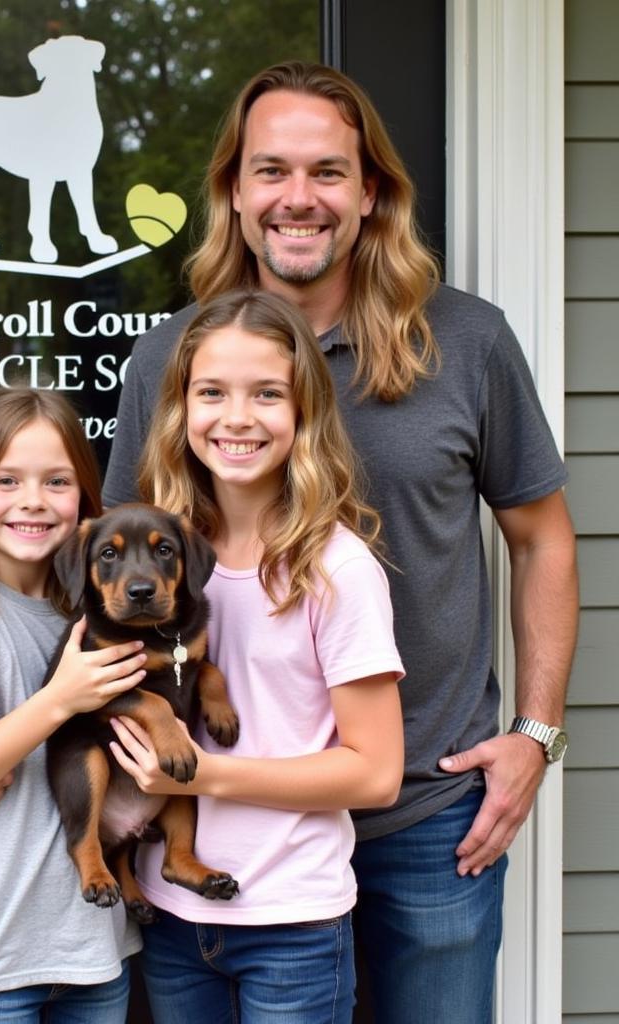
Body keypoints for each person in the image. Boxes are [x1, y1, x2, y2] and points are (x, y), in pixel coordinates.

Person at [103, 61, 579, 1023]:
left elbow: (543, 540)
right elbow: (112, 587)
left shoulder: (467, 341)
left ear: (371, 193)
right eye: (271, 170)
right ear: (235, 193)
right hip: (232, 818)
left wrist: (532, 735)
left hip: (424, 812)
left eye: (328, 172)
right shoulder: (172, 358)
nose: (298, 198)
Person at [107, 288, 405, 1023]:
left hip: (292, 925)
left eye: (266, 393)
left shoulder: (335, 568)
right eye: (212, 392)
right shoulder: (160, 561)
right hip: (173, 914)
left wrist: (206, 774)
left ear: (303, 411)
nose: (237, 417)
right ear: (180, 410)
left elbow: (375, 773)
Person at [0, 387, 145, 1024]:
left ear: (85, 498)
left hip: (97, 950)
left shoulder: (101, 619)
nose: (33, 501)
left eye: (57, 481)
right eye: (5, 480)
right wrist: (61, 699)